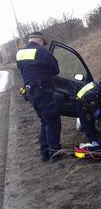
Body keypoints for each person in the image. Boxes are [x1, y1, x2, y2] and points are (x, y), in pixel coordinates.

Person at [16, 32, 62, 163]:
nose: (44, 45)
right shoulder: (41, 51)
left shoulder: (20, 54)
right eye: (43, 43)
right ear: (40, 40)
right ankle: (55, 152)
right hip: (43, 92)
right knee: (52, 120)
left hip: (30, 93)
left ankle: (44, 152)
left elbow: (24, 70)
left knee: (44, 120)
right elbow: (55, 69)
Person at [75, 82, 101, 155]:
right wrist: (93, 141)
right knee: (88, 121)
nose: (93, 106)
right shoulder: (80, 102)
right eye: (91, 106)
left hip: (97, 92)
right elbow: (85, 123)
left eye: (94, 104)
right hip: (85, 102)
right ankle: (95, 140)